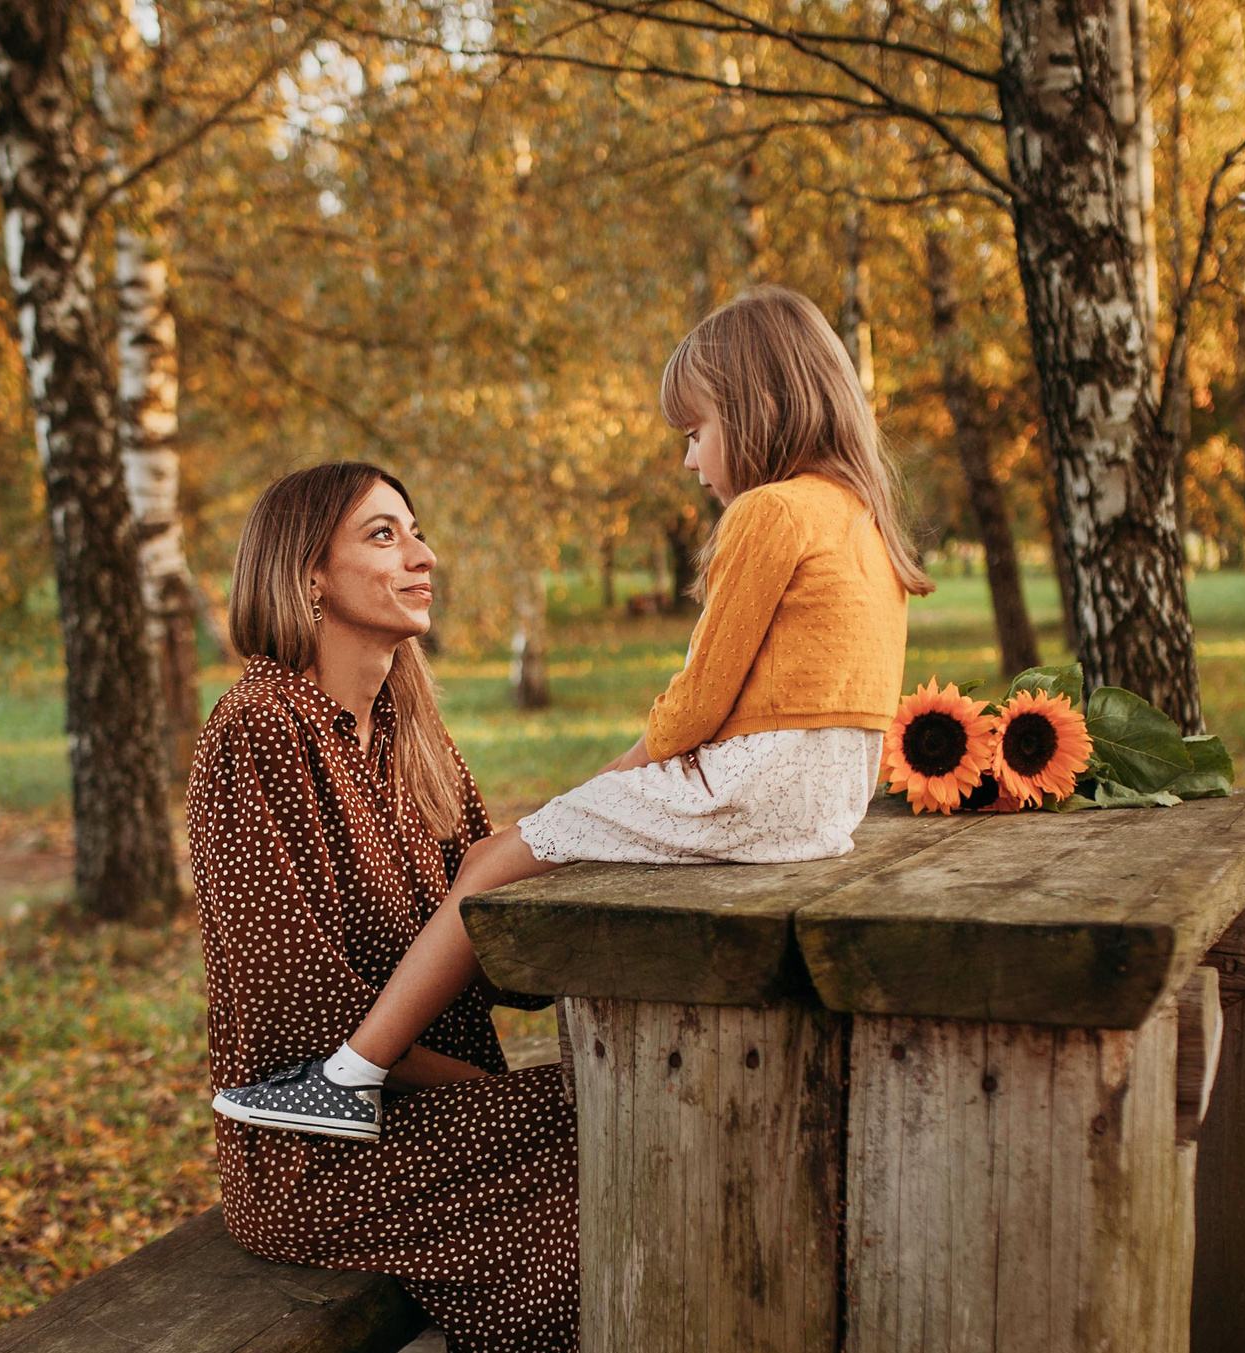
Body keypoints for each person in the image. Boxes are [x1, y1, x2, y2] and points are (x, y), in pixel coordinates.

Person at [214, 284, 927, 1143]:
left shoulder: (769, 511)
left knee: (494, 860)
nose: (690, 461)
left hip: (756, 786)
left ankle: (349, 1073)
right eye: (384, 535)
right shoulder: (859, 516)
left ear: (757, 408)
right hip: (832, 801)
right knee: (509, 855)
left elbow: (699, 699)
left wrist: (610, 782)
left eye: (695, 431)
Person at [187, 460, 576, 1353]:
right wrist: (510, 1100)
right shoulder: (257, 735)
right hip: (315, 1154)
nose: (421, 556)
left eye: (417, 532)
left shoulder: (410, 728)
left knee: (560, 1265)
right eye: (383, 535)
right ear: (307, 576)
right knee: (605, 1159)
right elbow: (302, 1019)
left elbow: (490, 943)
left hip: (431, 1129)